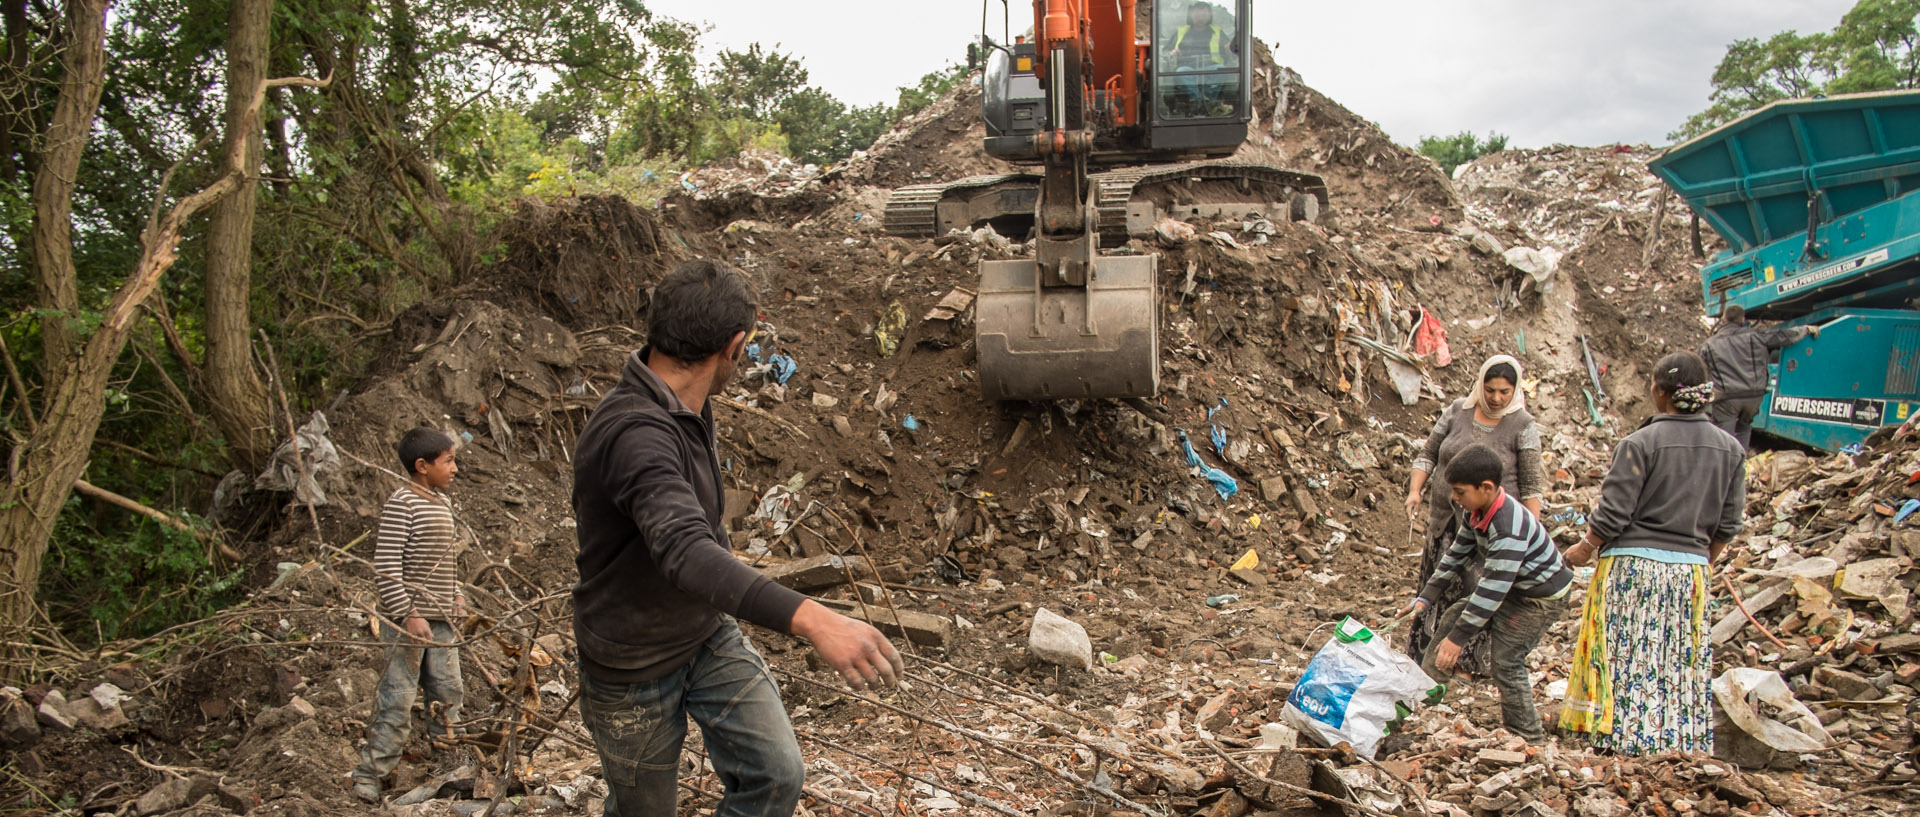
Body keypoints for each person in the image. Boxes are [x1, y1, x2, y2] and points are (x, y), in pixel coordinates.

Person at [571, 259, 903, 817]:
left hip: (704, 633)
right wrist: (816, 620)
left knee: (776, 776)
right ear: (735, 346)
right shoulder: (635, 434)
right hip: (631, 666)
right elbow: (685, 551)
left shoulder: (685, 405)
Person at [1560, 351, 1744, 756]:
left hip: (1632, 565)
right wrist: (1699, 560)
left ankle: (1618, 737)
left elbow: (1613, 513)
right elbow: (1728, 525)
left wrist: (1585, 547)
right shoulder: (1730, 449)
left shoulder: (1639, 443)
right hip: (1691, 571)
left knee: (1624, 652)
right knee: (1675, 658)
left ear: (1660, 392)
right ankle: (1671, 740)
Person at [1399, 444, 1571, 744]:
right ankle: (1425, 698)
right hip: (1515, 587)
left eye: (1460, 491)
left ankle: (1528, 736)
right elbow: (1455, 555)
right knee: (1453, 615)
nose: (1455, 498)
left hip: (1539, 599)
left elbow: (1492, 588)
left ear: (1487, 488)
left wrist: (1458, 640)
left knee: (1506, 661)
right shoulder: (1476, 511)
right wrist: (1425, 597)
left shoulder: (1507, 527)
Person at [1403, 355, 1546, 673]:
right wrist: (1416, 490)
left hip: (1492, 528)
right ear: (1480, 384)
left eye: (1504, 392)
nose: (1496, 398)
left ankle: (1467, 663)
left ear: (1515, 390)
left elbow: (1531, 485)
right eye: (1490, 389)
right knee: (1439, 583)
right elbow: (1428, 453)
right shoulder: (1457, 411)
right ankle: (1426, 658)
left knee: (1480, 591)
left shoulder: (1522, 426)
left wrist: (1532, 534)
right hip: (1446, 521)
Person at [352, 427, 467, 804]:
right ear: (422, 466)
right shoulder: (403, 503)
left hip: (441, 621)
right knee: (398, 700)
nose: (454, 468)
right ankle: (371, 775)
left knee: (448, 693)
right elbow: (386, 566)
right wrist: (408, 614)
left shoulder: (442, 503)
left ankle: (451, 766)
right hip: (409, 623)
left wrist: (456, 594)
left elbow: (443, 561)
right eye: (448, 461)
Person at [1698, 303, 1819, 449]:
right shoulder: (1756, 335)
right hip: (1753, 397)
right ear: (1743, 319)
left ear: (1723, 319)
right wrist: (1805, 329)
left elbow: (1698, 368)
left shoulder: (1709, 344)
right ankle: (1740, 466)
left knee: (1723, 439)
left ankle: (1724, 467)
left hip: (1727, 399)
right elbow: (1784, 336)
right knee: (1744, 429)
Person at [1162, 2, 1232, 116]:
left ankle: (1210, 99)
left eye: (1204, 12)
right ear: (1191, 14)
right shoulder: (1181, 32)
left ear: (1209, 15)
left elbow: (1229, 48)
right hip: (1188, 69)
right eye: (1197, 12)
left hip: (1211, 68)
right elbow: (1165, 51)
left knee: (1221, 70)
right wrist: (1171, 53)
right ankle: (1197, 100)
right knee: (1181, 72)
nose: (1200, 15)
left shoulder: (1217, 32)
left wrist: (1230, 49)